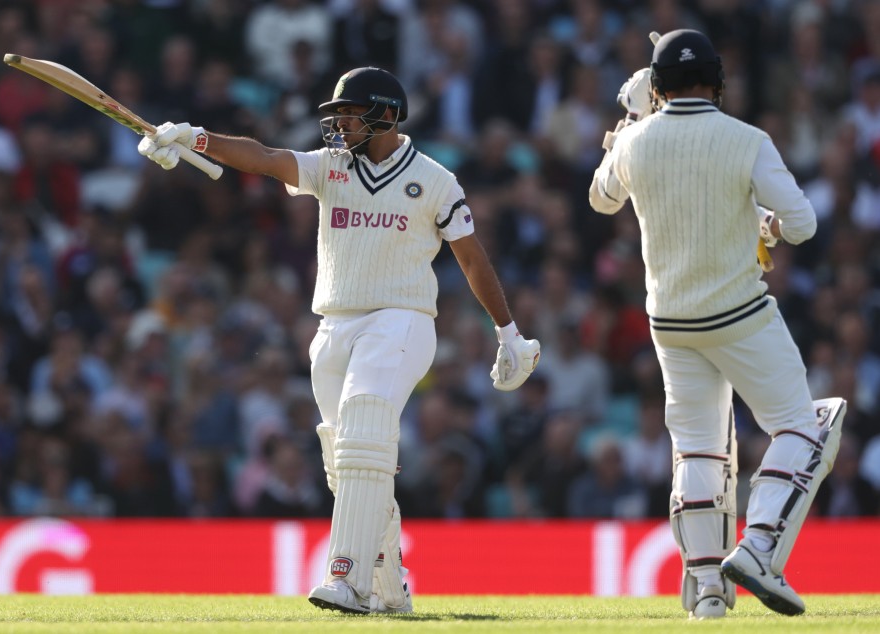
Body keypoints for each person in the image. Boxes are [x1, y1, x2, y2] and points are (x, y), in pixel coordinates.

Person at [138, 66, 540, 614]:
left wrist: (508, 332)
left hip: (402, 318)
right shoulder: (331, 167)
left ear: (387, 116)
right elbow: (264, 156)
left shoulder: (436, 180)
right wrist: (195, 138)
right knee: (346, 461)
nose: (341, 124)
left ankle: (345, 578)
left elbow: (470, 258)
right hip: (334, 325)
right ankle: (389, 582)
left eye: (351, 113)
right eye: (339, 114)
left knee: (365, 430)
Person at [589, 29, 846, 619]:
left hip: (670, 322)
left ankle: (707, 592)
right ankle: (757, 548)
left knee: (699, 452)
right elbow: (802, 224)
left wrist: (630, 116)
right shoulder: (747, 139)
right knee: (803, 428)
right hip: (740, 314)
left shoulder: (634, 142)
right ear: (718, 82)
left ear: (656, 87)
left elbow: (601, 198)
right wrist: (766, 228)